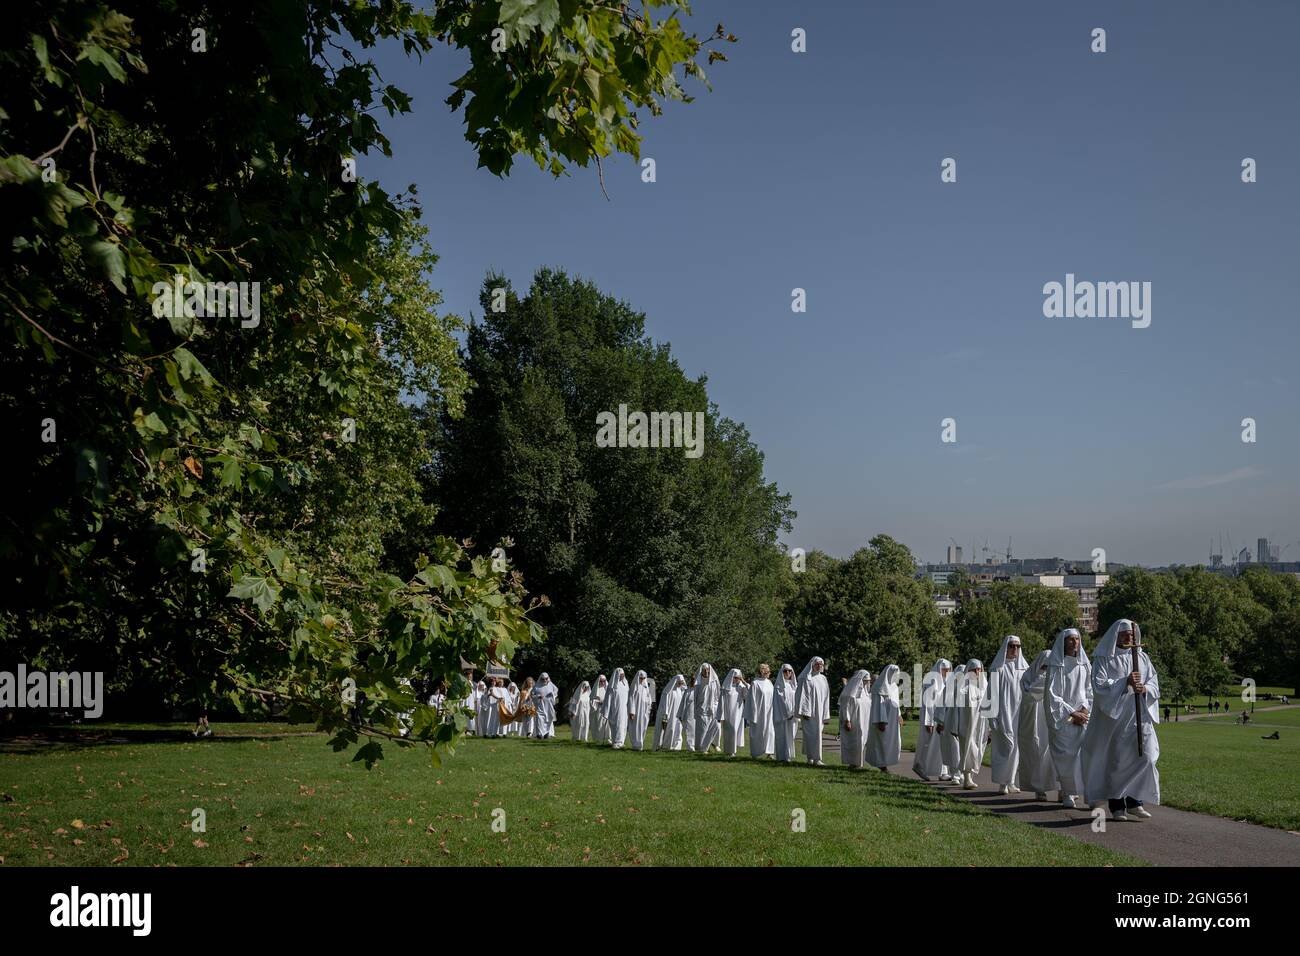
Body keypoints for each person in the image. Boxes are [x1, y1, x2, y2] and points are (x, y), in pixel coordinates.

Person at [1082, 619, 1160, 821]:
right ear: (1115, 635)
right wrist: (1123, 682)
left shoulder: (1142, 658)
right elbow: (1099, 686)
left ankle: (1136, 801)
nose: (1129, 637)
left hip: (1139, 717)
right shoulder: (1104, 658)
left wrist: (1145, 689)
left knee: (1147, 756)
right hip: (1115, 720)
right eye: (1125, 633)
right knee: (1117, 761)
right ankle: (1117, 805)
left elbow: (1153, 683)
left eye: (1131, 634)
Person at [1046, 627, 1091, 809]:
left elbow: (1089, 691)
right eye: (1071, 639)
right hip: (1064, 719)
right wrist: (1072, 712)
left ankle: (1081, 791)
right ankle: (1067, 792)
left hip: (1082, 718)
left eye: (1077, 639)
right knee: (1066, 757)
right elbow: (1052, 695)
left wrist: (1085, 710)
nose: (1074, 643)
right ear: (1063, 642)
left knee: (1082, 757)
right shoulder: (1056, 664)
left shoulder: (1084, 664)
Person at [988, 635, 1029, 794]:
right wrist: (992, 718)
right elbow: (991, 695)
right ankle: (1002, 782)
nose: (1015, 649)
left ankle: (1011, 780)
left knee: (1016, 748)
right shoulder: (998, 668)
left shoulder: (1024, 669)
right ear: (1006, 647)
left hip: (1019, 715)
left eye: (1018, 646)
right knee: (1005, 747)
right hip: (1002, 714)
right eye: (1012, 646)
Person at [1017, 649, 1057, 800]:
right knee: (1035, 754)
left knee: (1055, 755)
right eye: (1044, 667)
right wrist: (1043, 680)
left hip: (1050, 721)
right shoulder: (1027, 677)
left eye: (1050, 668)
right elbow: (1029, 694)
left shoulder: (1058, 677)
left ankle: (1063, 789)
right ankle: (1039, 788)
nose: (1046, 671)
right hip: (1033, 721)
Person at [950, 659, 988, 790]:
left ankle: (968, 776)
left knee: (977, 752)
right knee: (968, 751)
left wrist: (990, 729)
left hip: (980, 726)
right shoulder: (962, 687)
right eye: (974, 669)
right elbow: (955, 710)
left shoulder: (984, 686)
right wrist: (955, 726)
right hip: (965, 726)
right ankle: (967, 778)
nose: (977, 672)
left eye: (979, 669)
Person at [913, 659, 951, 780]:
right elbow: (927, 703)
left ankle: (942, 771)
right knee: (926, 743)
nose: (947, 672)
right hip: (930, 718)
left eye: (949, 669)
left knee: (940, 745)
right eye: (945, 669)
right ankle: (919, 766)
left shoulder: (944, 682)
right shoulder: (931, 681)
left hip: (940, 718)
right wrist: (928, 722)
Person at [866, 664, 903, 771]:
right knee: (881, 742)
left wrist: (899, 715)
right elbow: (878, 706)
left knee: (892, 742)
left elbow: (896, 702)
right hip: (883, 720)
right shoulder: (879, 687)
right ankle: (882, 765)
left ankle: (886, 762)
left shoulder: (894, 687)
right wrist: (881, 721)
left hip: (893, 719)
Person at [795, 656, 831, 765]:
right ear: (812, 665)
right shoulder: (806, 678)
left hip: (820, 712)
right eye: (817, 664)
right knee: (810, 734)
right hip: (809, 712)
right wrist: (805, 712)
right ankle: (813, 758)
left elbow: (826, 697)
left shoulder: (823, 679)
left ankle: (815, 759)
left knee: (817, 734)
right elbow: (803, 696)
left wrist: (825, 714)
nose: (819, 666)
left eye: (821, 664)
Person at [838, 669, 871, 768]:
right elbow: (845, 707)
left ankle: (858, 763)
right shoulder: (849, 693)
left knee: (861, 742)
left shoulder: (866, 694)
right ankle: (853, 763)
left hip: (863, 723)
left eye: (868, 680)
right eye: (866, 680)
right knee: (853, 742)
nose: (868, 682)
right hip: (853, 722)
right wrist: (847, 720)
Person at [936, 663, 964, 781]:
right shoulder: (949, 687)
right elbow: (941, 706)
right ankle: (955, 774)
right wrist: (940, 722)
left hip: (964, 723)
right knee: (954, 749)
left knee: (962, 749)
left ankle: (961, 773)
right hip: (949, 722)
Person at [745, 664, 776, 758]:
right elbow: (752, 699)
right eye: (767, 671)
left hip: (769, 712)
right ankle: (755, 752)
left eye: (769, 671)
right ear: (762, 672)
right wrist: (754, 714)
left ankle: (770, 752)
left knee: (770, 732)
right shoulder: (755, 683)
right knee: (758, 732)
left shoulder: (769, 683)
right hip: (759, 712)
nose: (769, 673)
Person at [772, 663, 799, 762]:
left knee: (791, 736)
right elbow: (781, 701)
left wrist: (795, 713)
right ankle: (782, 757)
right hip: (783, 716)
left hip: (793, 715)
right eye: (785, 671)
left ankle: (789, 755)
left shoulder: (794, 686)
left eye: (789, 671)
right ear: (782, 672)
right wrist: (788, 713)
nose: (788, 673)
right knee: (782, 736)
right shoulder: (779, 686)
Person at [719, 668, 749, 756]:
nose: (736, 679)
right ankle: (728, 750)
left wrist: (743, 681)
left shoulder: (741, 687)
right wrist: (721, 715)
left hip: (738, 713)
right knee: (728, 732)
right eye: (735, 677)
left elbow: (748, 693)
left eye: (738, 677)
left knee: (734, 730)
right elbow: (721, 702)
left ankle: (733, 751)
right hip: (728, 713)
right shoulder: (726, 688)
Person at [693, 663, 722, 752]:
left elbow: (718, 694)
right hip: (701, 709)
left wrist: (717, 706)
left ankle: (715, 744)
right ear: (701, 671)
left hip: (713, 709)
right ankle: (702, 747)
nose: (706, 671)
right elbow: (694, 696)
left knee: (717, 727)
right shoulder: (698, 682)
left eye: (707, 669)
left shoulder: (714, 680)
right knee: (702, 730)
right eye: (704, 670)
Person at [655, 674, 687, 751]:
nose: (680, 684)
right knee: (670, 729)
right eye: (679, 682)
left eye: (682, 683)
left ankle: (676, 746)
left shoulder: (681, 691)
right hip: (671, 715)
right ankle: (666, 745)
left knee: (678, 730)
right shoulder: (669, 692)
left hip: (678, 715)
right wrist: (666, 714)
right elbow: (666, 704)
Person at [603, 668, 630, 748]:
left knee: (623, 725)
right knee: (617, 725)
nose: (622, 676)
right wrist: (606, 712)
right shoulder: (612, 686)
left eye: (623, 675)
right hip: (615, 709)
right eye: (620, 675)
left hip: (624, 709)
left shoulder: (625, 684)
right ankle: (616, 742)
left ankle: (621, 742)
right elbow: (608, 699)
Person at [627, 670, 654, 750]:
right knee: (635, 727)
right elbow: (631, 699)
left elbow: (648, 698)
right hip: (636, 711)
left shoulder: (646, 687)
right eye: (641, 678)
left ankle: (640, 743)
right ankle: (636, 744)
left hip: (644, 711)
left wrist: (649, 707)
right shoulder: (634, 686)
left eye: (644, 678)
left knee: (643, 727)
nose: (642, 679)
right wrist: (632, 712)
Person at [678, 675, 698, 753]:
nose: (693, 681)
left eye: (694, 680)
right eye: (692, 680)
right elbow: (682, 703)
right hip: (687, 713)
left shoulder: (698, 690)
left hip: (695, 714)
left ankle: (695, 746)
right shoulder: (687, 690)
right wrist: (680, 714)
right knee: (688, 731)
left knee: (694, 731)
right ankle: (690, 747)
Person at [591, 675, 609, 744]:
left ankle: (607, 738)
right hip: (599, 709)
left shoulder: (607, 689)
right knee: (600, 723)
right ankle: (599, 739)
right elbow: (592, 701)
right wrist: (599, 702)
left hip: (606, 709)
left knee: (607, 725)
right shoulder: (596, 690)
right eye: (601, 681)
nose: (603, 682)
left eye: (604, 681)